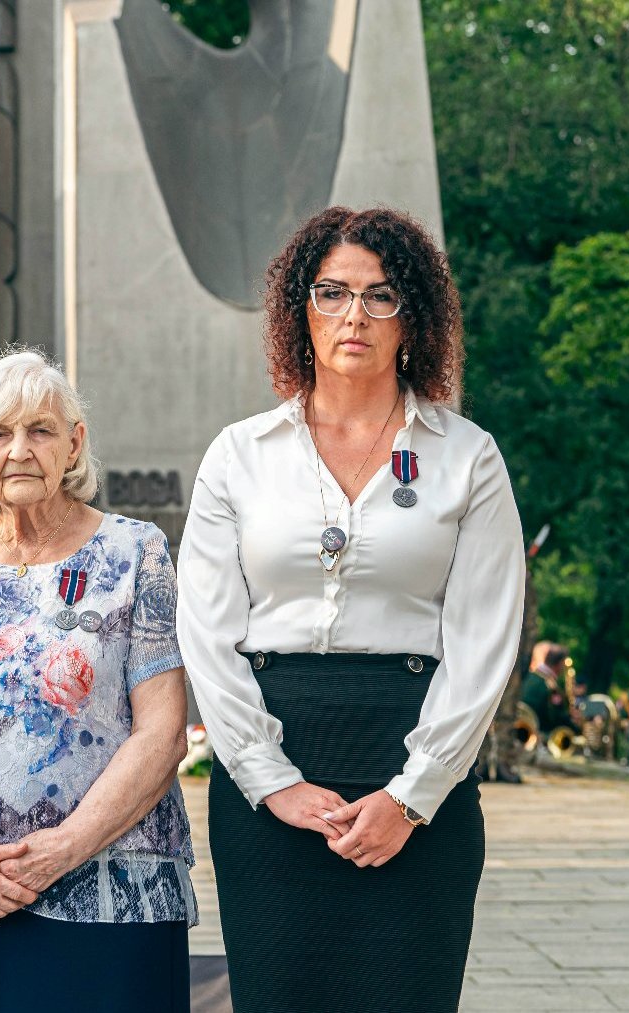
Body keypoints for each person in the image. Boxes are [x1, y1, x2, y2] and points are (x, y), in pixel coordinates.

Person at [178, 206, 526, 1013]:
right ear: (300, 310)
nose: (355, 316)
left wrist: (412, 795)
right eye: (332, 293)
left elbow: (483, 641)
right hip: (270, 779)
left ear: (416, 317)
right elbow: (208, 634)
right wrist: (271, 781)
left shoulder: (467, 457)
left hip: (416, 764)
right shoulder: (239, 455)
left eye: (381, 295)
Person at [0, 348, 195, 1012]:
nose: (19, 449)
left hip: (116, 897)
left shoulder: (136, 552)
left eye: (40, 430)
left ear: (74, 442)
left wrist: (66, 847)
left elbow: (162, 732)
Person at [521, 641, 573, 742]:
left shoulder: (528, 676)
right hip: (540, 736)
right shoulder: (551, 686)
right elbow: (556, 718)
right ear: (559, 663)